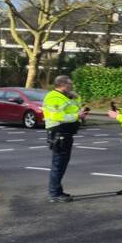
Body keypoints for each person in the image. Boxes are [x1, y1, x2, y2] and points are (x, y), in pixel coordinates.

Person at [42, 75, 88, 203]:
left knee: (61, 164)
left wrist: (80, 115)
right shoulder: (53, 97)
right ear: (62, 84)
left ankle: (57, 191)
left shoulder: (66, 96)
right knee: (58, 164)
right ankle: (54, 194)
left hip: (66, 133)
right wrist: (76, 116)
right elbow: (57, 115)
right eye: (70, 84)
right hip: (58, 133)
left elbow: (75, 108)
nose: (71, 86)